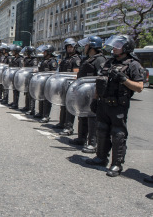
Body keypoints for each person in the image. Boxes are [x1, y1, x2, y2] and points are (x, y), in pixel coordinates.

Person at [86, 35, 144, 177]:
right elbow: (100, 83)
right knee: (101, 130)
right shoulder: (109, 62)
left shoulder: (133, 64)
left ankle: (116, 164)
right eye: (115, 44)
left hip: (119, 105)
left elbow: (139, 87)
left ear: (127, 47)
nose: (115, 47)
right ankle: (101, 157)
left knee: (118, 134)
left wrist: (124, 79)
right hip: (103, 103)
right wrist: (95, 99)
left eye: (118, 45)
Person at [69, 35, 106, 154]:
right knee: (82, 115)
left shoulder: (100, 60)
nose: (84, 47)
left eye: (86, 45)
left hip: (93, 93)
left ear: (92, 46)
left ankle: (92, 143)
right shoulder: (88, 59)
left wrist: (97, 95)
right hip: (84, 93)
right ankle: (81, 138)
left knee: (92, 118)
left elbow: (101, 78)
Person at [55, 38, 81, 135]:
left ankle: (69, 127)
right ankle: (62, 123)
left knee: (70, 107)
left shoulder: (76, 60)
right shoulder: (65, 59)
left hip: (72, 87)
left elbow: (76, 74)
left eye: (71, 47)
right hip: (64, 85)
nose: (69, 49)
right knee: (63, 105)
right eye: (68, 47)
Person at [34, 45, 58, 122]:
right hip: (41, 82)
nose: (43, 53)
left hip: (48, 83)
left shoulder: (53, 61)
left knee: (47, 100)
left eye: (45, 51)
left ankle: (46, 116)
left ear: (49, 52)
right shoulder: (43, 60)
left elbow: (53, 73)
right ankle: (40, 113)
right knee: (41, 97)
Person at [21, 46, 38, 113]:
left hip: (32, 78)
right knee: (26, 93)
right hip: (27, 78)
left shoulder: (34, 60)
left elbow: (35, 69)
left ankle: (32, 109)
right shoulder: (26, 59)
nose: (26, 53)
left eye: (27, 52)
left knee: (31, 94)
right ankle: (27, 106)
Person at [8, 45, 23, 109]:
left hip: (17, 77)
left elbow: (20, 68)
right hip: (13, 76)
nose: (12, 52)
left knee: (16, 90)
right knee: (14, 90)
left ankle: (16, 104)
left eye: (13, 51)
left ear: (17, 51)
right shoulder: (14, 58)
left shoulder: (20, 59)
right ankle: (14, 102)